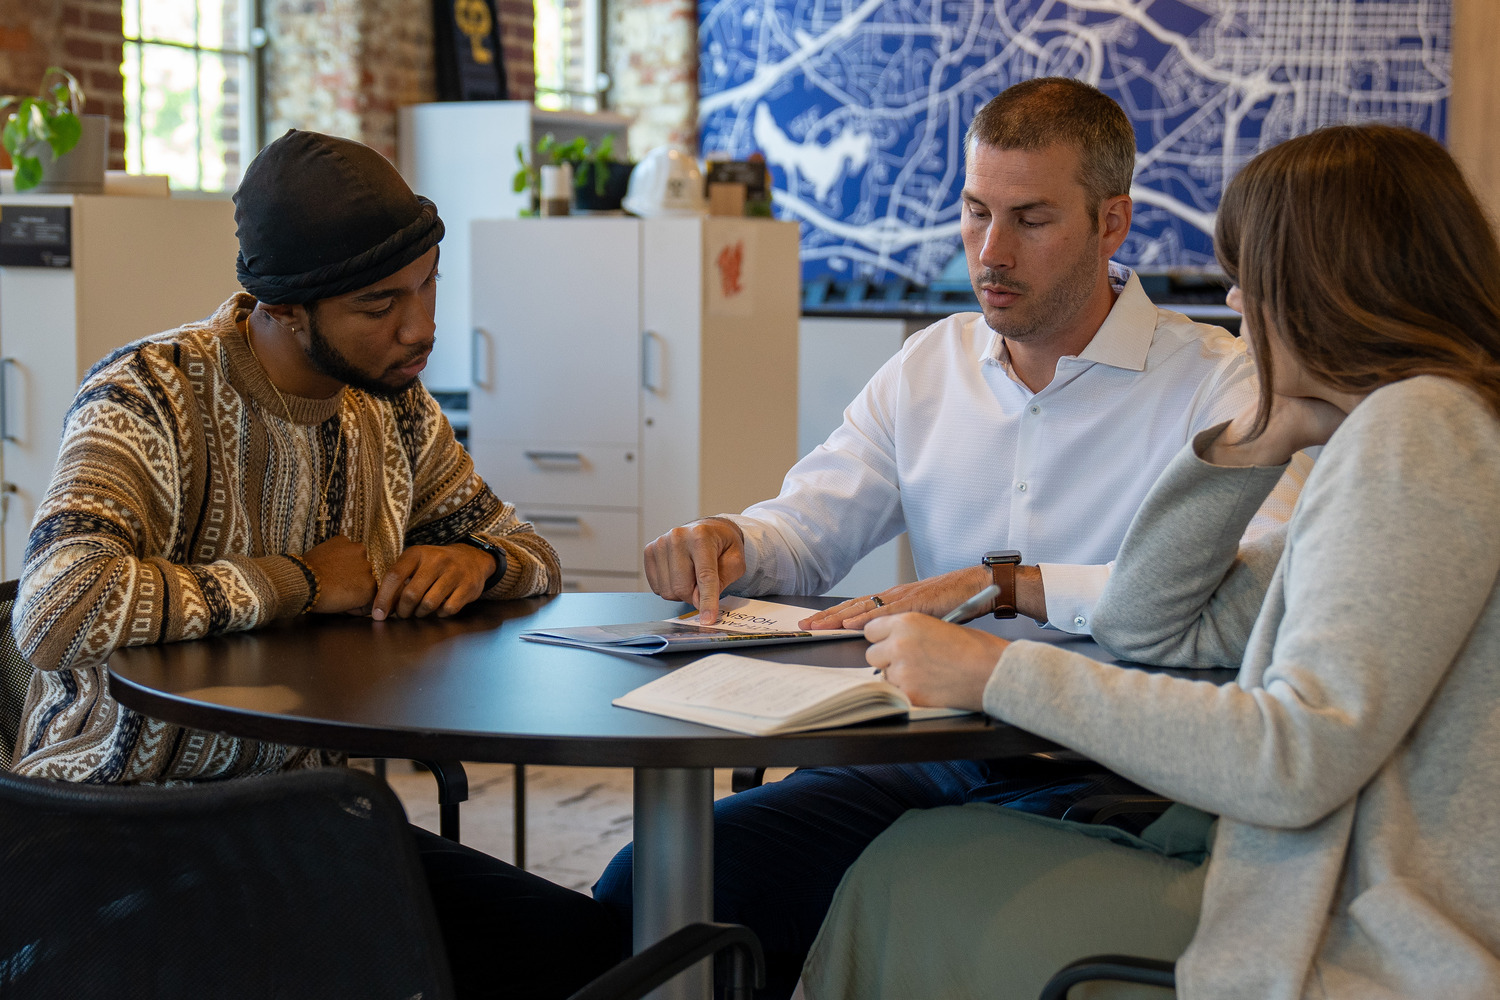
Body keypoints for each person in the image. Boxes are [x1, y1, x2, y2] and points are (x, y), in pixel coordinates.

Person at [596, 77, 1309, 995]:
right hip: (923, 749)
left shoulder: (1219, 384)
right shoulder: (931, 362)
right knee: (652, 887)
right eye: (975, 212)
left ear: (1111, 223)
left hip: (1110, 768)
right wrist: (735, 540)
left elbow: (1261, 587)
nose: (991, 251)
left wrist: (995, 580)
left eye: (1031, 219)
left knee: (865, 890)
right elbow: (812, 523)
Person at [800, 123, 1500, 999]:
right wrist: (1249, 442)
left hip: (1359, 921)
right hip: (1313, 876)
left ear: (1322, 283)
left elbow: (1293, 758)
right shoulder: (1432, 428)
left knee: (905, 873)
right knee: (912, 855)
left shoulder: (1417, 433)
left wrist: (997, 672)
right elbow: (1151, 620)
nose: (1239, 305)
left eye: (1251, 276)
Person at [9, 130, 616, 999]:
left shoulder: (394, 407)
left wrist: (474, 561)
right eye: (379, 305)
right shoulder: (148, 393)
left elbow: (535, 556)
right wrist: (297, 580)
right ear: (282, 308)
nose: (421, 327)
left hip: (301, 827)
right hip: (110, 832)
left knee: (582, 947)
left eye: (428, 284)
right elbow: (56, 609)